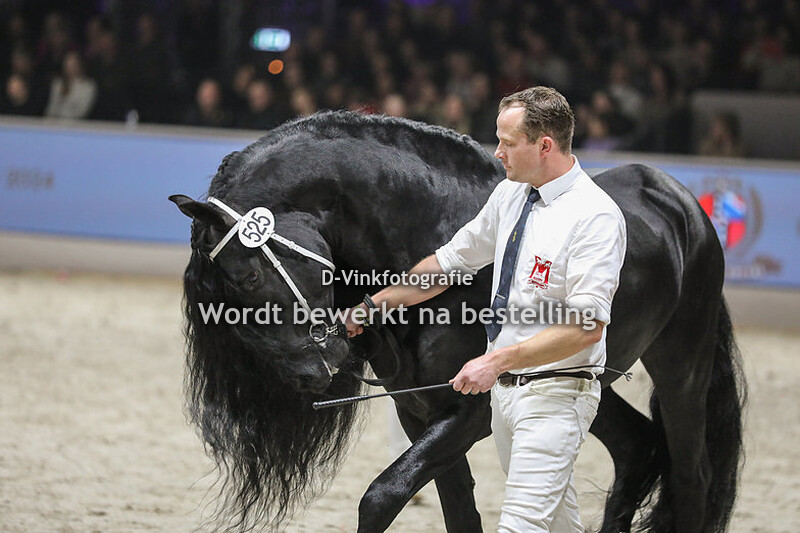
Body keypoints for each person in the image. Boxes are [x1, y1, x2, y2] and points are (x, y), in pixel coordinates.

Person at [345, 86, 626, 532]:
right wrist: (373, 305)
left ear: (545, 146)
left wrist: (495, 360)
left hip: (555, 395)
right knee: (558, 525)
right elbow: (449, 264)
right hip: (506, 398)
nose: (497, 153)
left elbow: (587, 327)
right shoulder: (511, 195)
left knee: (520, 525)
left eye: (508, 143)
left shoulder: (595, 217)